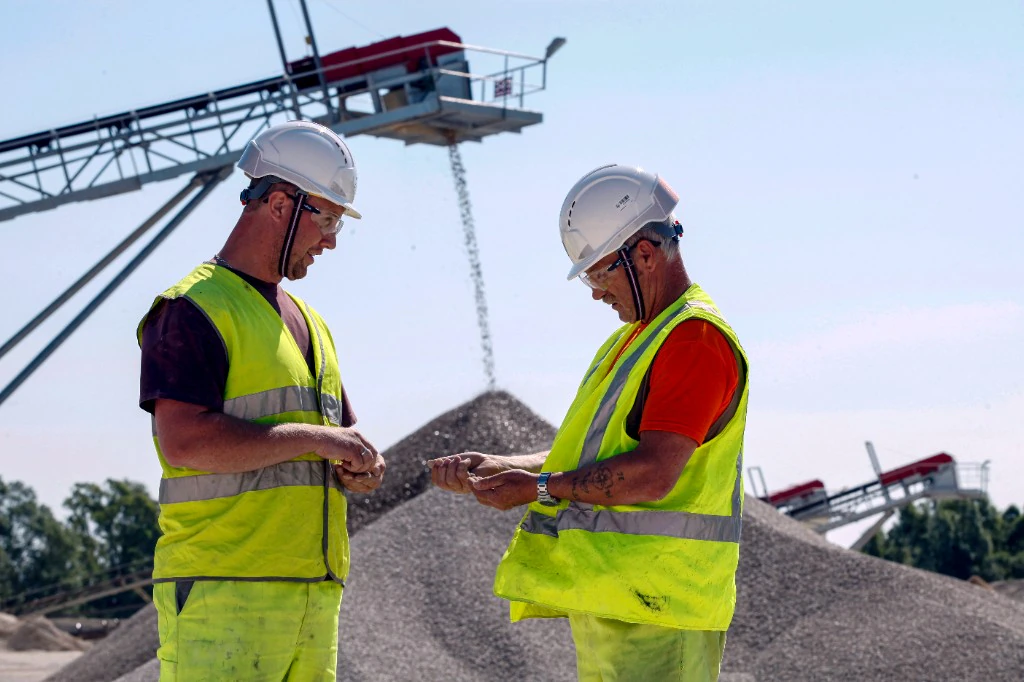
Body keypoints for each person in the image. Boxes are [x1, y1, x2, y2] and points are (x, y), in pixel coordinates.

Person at [429, 164, 749, 681]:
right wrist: (501, 466)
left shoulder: (694, 341)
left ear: (644, 253)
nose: (596, 292)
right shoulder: (638, 339)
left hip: (663, 608)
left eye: (599, 272)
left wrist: (538, 489)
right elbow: (597, 458)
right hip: (626, 605)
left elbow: (653, 471)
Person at [137, 120, 385, 681]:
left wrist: (358, 466)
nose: (331, 239)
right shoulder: (192, 309)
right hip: (225, 591)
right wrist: (320, 440)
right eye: (326, 217)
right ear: (278, 203)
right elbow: (184, 442)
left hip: (313, 594)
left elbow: (340, 439)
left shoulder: (311, 324)